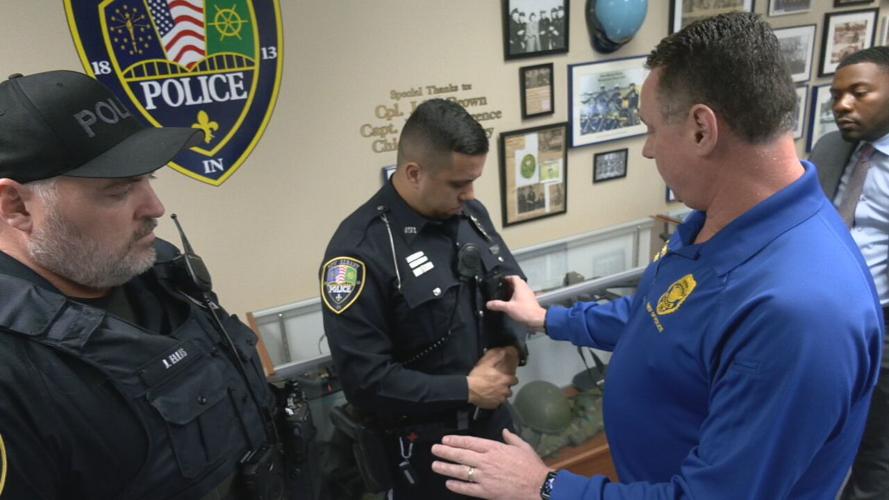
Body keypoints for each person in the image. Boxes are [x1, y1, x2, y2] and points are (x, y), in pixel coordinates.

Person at [430, 12, 883, 499]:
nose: (647, 151)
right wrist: (547, 319)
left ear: (701, 130)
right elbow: (661, 317)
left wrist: (544, 487)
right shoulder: (717, 218)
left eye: (649, 129)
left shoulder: (800, 313)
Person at [0, 70, 295, 500]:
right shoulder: (13, 371)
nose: (155, 208)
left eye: (147, 179)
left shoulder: (159, 273)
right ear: (16, 207)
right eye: (118, 190)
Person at [320, 98, 528, 499]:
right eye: (457, 183)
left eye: (473, 181)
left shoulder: (471, 214)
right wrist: (466, 389)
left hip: (493, 424)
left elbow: (513, 286)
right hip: (425, 451)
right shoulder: (360, 253)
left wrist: (510, 348)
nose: (469, 194)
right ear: (414, 172)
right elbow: (365, 381)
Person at [809, 46, 889, 500]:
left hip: (882, 323)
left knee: (876, 448)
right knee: (821, 432)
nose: (843, 105)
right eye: (837, 95)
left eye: (859, 93)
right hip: (822, 319)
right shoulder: (828, 147)